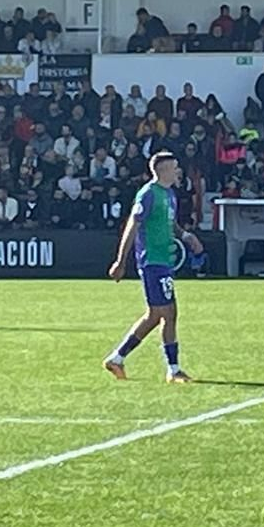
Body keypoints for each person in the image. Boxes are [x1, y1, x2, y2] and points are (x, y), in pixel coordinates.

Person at [103, 151, 202, 383]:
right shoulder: (148, 194)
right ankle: (173, 369)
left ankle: (117, 359)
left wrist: (187, 236)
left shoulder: (169, 194)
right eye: (175, 167)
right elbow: (132, 225)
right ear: (163, 170)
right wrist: (121, 259)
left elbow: (171, 223)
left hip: (164, 261)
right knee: (165, 313)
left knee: (158, 314)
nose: (178, 171)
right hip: (152, 261)